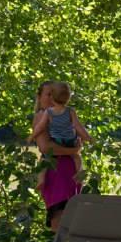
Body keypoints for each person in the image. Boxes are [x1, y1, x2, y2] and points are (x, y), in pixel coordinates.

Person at [35, 79, 88, 233]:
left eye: (54, 94)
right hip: (55, 171)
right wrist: (73, 151)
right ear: (39, 97)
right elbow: (46, 147)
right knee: (59, 217)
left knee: (72, 218)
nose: (52, 98)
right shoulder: (41, 116)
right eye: (48, 94)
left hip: (69, 171)